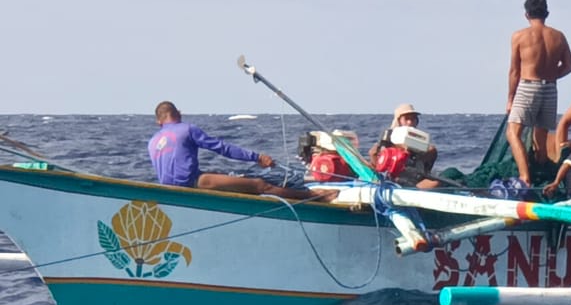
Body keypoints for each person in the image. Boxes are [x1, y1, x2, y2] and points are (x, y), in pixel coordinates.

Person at [147, 101, 334, 202]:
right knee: (260, 185)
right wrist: (257, 157)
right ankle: (315, 196)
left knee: (228, 178)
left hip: (168, 191)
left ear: (159, 121)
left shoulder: (152, 141)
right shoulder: (187, 129)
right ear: (178, 114)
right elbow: (223, 148)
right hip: (192, 183)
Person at [506, 0, 571, 188]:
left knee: (513, 133)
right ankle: (543, 176)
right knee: (541, 140)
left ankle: (525, 177)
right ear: (547, 13)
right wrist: (552, 76)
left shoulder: (519, 36)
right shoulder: (558, 36)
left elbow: (514, 71)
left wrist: (510, 99)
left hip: (528, 86)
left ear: (527, 14)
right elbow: (569, 66)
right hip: (550, 89)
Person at [368, 103, 441, 189]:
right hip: (398, 181)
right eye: (406, 119)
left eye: (413, 119)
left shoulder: (419, 139)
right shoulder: (388, 138)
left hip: (416, 178)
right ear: (398, 120)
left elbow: (428, 159)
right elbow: (376, 162)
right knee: (439, 181)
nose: (410, 122)